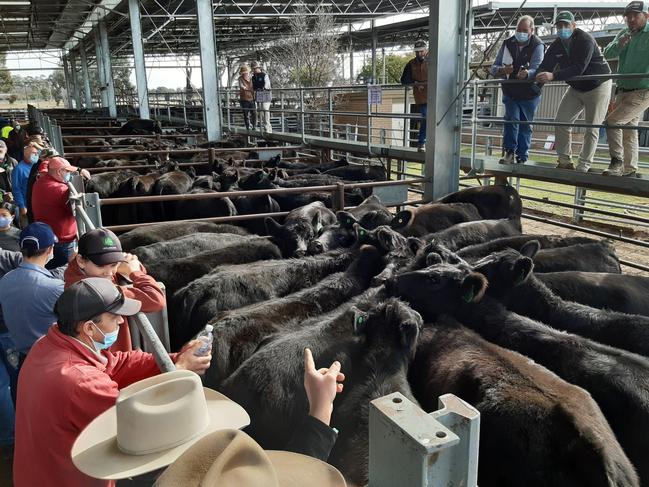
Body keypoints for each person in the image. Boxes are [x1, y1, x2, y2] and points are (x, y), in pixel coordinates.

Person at [12, 278, 212, 487]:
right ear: (89, 328)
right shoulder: (80, 381)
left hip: (38, 470)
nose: (121, 322)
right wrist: (177, 373)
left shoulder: (50, 343)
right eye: (115, 316)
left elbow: (115, 364)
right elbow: (138, 426)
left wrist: (172, 360)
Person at [65, 227, 166, 352]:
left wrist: (128, 266)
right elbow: (156, 299)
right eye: (100, 265)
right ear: (81, 260)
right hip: (110, 359)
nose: (109, 272)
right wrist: (135, 272)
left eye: (114, 264)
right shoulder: (95, 293)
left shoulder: (77, 271)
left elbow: (128, 266)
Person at [535, 11, 612, 172]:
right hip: (576, 86)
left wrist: (553, 75)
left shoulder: (585, 40)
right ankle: (564, 160)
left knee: (592, 127)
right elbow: (546, 65)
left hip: (598, 85)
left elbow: (579, 68)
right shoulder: (557, 44)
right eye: (559, 26)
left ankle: (584, 164)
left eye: (566, 25)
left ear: (574, 26)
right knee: (561, 121)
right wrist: (536, 81)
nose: (562, 29)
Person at [0, 222, 64, 405]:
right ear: (50, 249)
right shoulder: (56, 288)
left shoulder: (5, 281)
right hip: (52, 363)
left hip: (23, 360)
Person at [602, 1, 649, 177]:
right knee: (629, 131)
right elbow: (607, 54)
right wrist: (619, 44)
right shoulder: (624, 33)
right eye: (628, 16)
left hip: (644, 90)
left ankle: (617, 162)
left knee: (612, 121)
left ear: (646, 16)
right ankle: (630, 169)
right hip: (622, 89)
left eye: (635, 15)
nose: (631, 19)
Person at [490, 15, 545, 165]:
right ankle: (509, 151)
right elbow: (493, 68)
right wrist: (502, 69)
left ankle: (522, 155)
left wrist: (528, 74)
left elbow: (537, 67)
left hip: (529, 94)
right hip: (510, 91)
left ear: (531, 30)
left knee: (525, 124)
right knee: (511, 120)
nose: (520, 33)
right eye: (518, 30)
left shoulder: (538, 45)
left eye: (524, 30)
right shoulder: (507, 43)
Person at [31, 157, 80, 268]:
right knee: (62, 273)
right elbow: (75, 211)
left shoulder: (39, 182)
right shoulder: (60, 189)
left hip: (47, 237)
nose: (69, 174)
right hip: (63, 242)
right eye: (67, 171)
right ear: (59, 172)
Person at [400, 40, 429, 152]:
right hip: (421, 96)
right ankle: (421, 143)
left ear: (425, 50)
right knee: (426, 117)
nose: (419, 54)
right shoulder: (411, 64)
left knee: (436, 118)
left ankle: (431, 142)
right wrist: (415, 82)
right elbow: (404, 80)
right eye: (417, 52)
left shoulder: (433, 60)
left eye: (421, 51)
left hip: (435, 94)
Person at [11, 142, 42, 228]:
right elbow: (16, 190)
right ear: (26, 155)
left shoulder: (39, 165)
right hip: (26, 205)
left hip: (38, 204)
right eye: (33, 153)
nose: (36, 155)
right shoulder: (18, 169)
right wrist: (22, 206)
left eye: (37, 153)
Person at [251, 61, 273, 134]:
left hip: (265, 94)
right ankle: (264, 127)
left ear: (258, 68)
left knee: (265, 109)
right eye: (253, 69)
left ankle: (268, 127)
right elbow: (253, 87)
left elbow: (267, 85)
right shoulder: (253, 77)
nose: (254, 70)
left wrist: (263, 88)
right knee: (261, 112)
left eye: (255, 68)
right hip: (258, 95)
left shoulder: (264, 75)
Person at [238, 64, 257, 132]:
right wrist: (243, 87)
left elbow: (255, 85)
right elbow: (241, 85)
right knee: (246, 114)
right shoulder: (240, 78)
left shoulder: (252, 78)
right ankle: (247, 127)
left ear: (248, 72)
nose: (245, 74)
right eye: (244, 73)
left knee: (254, 113)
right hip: (244, 98)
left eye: (246, 73)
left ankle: (254, 126)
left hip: (252, 98)